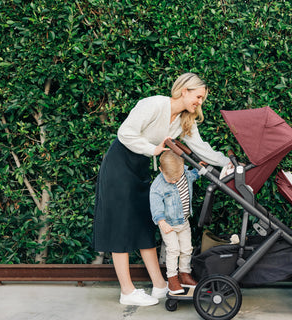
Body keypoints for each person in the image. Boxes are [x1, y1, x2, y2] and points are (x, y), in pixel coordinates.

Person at [92, 73, 231, 306]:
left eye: (202, 99)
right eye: (198, 96)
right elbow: (124, 133)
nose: (200, 102)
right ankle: (127, 291)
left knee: (147, 223)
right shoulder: (154, 104)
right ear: (184, 90)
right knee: (121, 225)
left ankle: (159, 285)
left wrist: (227, 163)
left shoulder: (185, 120)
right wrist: (153, 149)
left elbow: (201, 148)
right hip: (119, 164)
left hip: (140, 167)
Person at [150, 150, 199, 294]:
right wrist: (161, 221)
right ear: (161, 170)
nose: (174, 181)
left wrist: (200, 169)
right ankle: (172, 279)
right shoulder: (157, 187)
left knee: (186, 248)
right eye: (170, 179)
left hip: (184, 221)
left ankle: (184, 274)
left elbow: (192, 176)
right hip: (169, 225)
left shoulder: (183, 173)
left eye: (177, 178)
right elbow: (156, 206)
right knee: (173, 250)